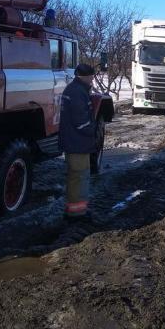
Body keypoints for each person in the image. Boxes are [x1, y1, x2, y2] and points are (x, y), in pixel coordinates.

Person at [58, 63, 97, 220]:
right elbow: (81, 122)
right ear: (86, 76)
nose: (93, 80)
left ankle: (77, 210)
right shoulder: (77, 92)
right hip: (77, 143)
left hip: (76, 142)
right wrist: (93, 130)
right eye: (92, 77)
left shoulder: (76, 89)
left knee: (78, 177)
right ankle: (76, 213)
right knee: (79, 177)